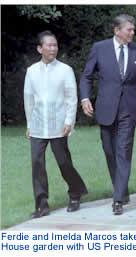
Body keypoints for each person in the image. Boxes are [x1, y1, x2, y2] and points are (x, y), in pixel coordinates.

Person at [80, 14, 136, 215]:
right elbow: (87, 76)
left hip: (129, 110)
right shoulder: (100, 48)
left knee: (123, 151)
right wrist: (85, 98)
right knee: (110, 152)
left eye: (133, 29)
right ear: (117, 30)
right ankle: (123, 189)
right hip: (105, 108)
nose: (133, 32)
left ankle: (118, 199)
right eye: (129, 29)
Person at [24, 30, 88, 218]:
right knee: (37, 164)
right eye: (49, 45)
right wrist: (29, 124)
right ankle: (41, 205)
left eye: (55, 45)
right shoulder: (31, 71)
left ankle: (76, 192)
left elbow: (71, 98)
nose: (53, 48)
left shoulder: (65, 70)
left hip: (59, 124)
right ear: (39, 48)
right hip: (37, 125)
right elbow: (28, 99)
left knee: (63, 162)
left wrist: (69, 121)